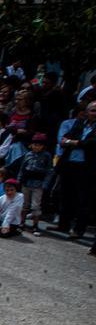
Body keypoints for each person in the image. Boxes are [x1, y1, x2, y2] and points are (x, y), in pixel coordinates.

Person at [53, 100, 96, 241]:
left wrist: (73, 142)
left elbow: (90, 144)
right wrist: (74, 142)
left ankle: (78, 230)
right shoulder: (79, 124)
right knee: (65, 194)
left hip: (86, 167)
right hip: (69, 163)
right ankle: (63, 224)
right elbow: (65, 139)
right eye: (92, 110)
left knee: (82, 200)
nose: (94, 113)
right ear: (87, 112)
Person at [15, 133, 53, 235]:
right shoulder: (28, 155)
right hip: (26, 182)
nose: (36, 147)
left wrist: (45, 184)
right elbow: (22, 168)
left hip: (38, 184)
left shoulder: (46, 156)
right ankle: (21, 223)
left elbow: (49, 171)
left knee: (36, 206)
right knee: (24, 204)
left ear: (43, 146)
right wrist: (19, 180)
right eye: (35, 144)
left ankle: (35, 225)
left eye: (39, 145)